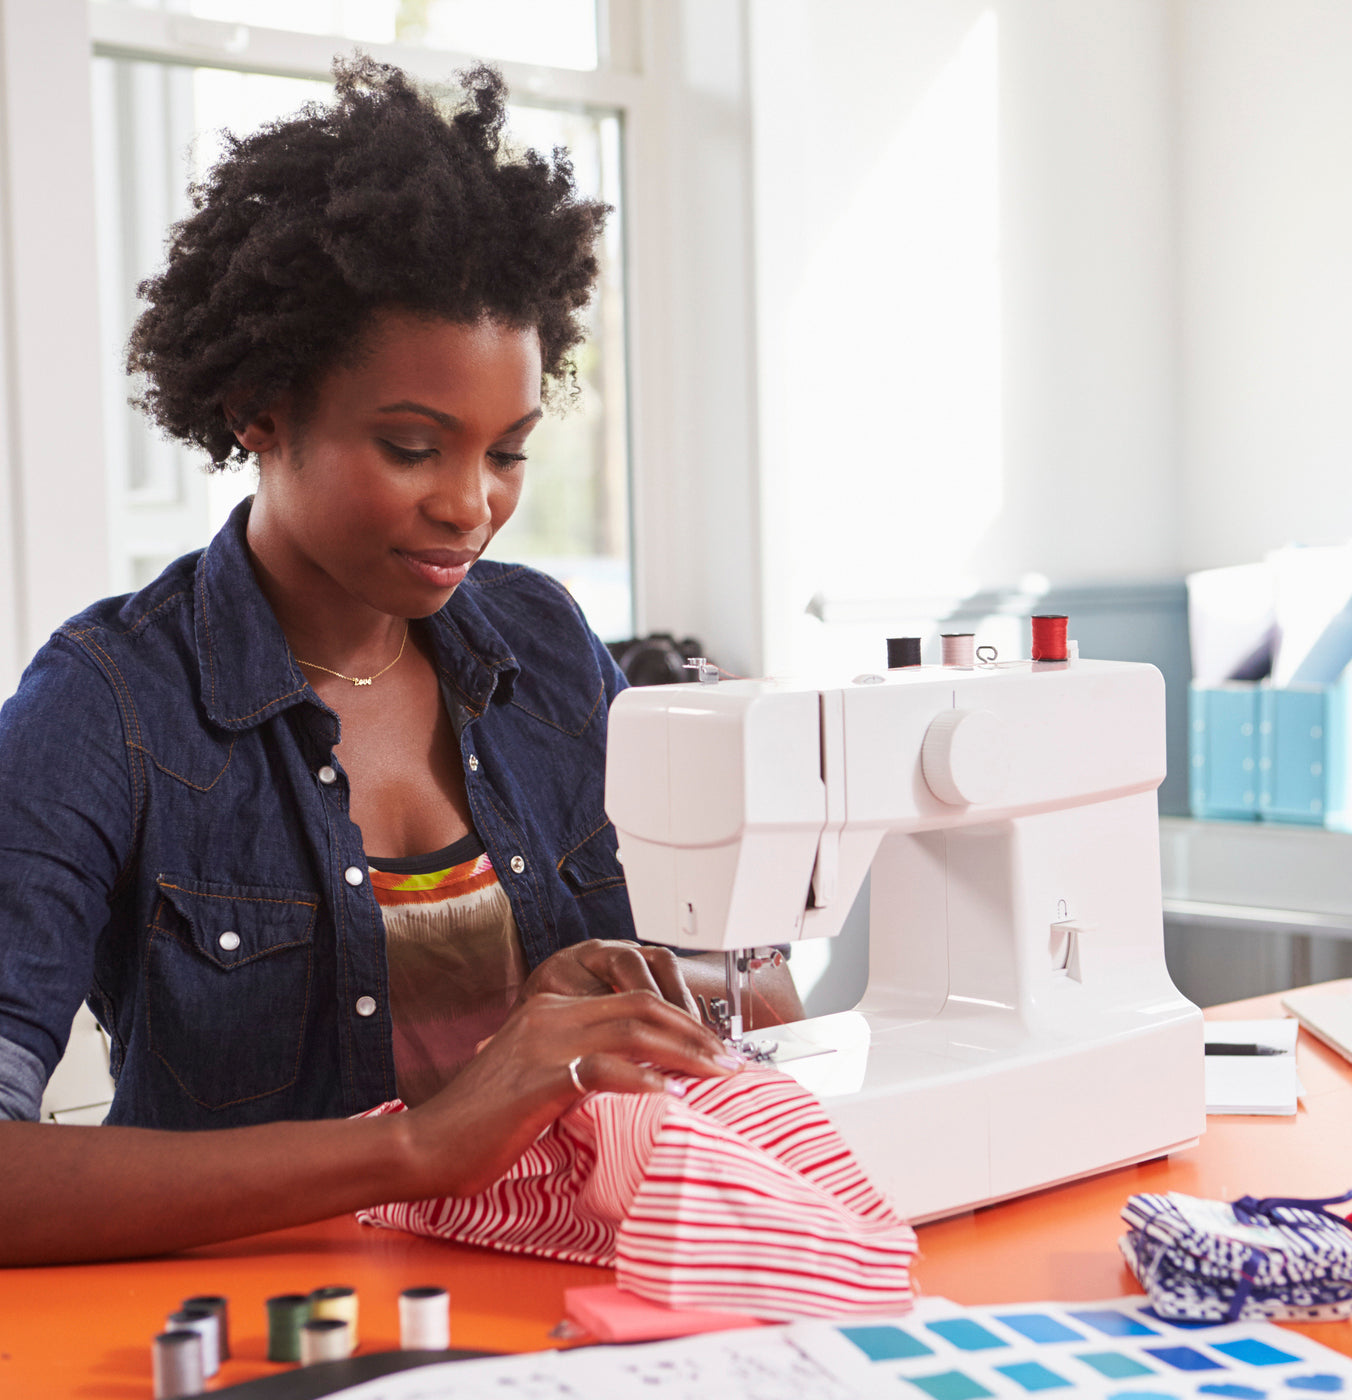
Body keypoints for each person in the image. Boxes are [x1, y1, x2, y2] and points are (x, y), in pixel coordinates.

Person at [0, 57, 801, 1267]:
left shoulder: (546, 648)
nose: (472, 506)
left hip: (553, 1296)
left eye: (510, 451)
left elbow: (721, 985)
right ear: (257, 408)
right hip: (264, 1329)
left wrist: (700, 987)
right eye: (415, 446)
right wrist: (420, 1144)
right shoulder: (106, 706)